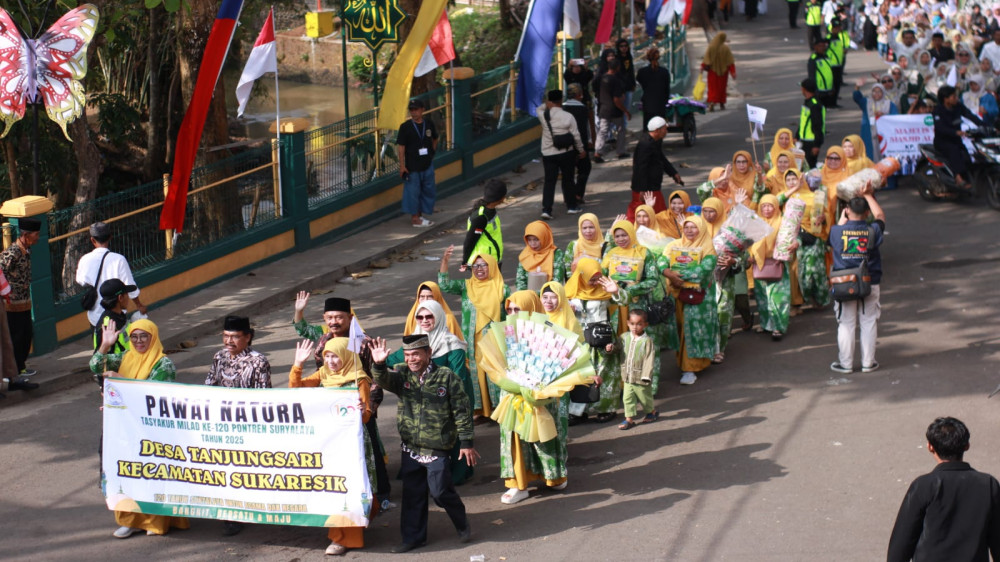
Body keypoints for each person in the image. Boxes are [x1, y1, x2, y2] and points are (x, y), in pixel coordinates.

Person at [370, 335, 477, 553]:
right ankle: (413, 538)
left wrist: (466, 442)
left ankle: (461, 521)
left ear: (428, 353)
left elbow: (462, 412)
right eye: (408, 355)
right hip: (411, 447)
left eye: (416, 354)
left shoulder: (446, 378)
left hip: (437, 447)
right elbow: (382, 380)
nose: (412, 359)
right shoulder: (403, 375)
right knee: (412, 495)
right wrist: (379, 364)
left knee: (440, 492)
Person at [90, 319, 189, 538]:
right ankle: (129, 520)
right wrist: (105, 346)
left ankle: (155, 521)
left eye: (144, 336)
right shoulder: (125, 357)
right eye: (134, 337)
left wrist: (121, 381)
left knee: (151, 474)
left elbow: (156, 398)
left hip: (152, 431)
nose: (139, 341)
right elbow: (95, 366)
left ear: (153, 337)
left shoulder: (164, 364)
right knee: (126, 473)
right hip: (124, 430)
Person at [288, 338, 376, 556]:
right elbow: (295, 389)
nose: (331, 361)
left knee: (352, 488)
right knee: (334, 487)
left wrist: (360, 409)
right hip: (329, 442)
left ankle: (348, 536)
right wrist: (298, 364)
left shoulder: (359, 379)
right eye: (327, 356)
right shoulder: (323, 375)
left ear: (346, 356)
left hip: (353, 441)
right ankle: (339, 536)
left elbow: (366, 416)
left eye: (335, 355)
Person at [887, 417, 1000, 562]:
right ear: (967, 445)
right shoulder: (988, 484)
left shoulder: (924, 485)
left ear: (930, 447)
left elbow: (901, 544)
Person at [388, 300, 475, 486]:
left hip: (449, 396)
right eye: (420, 316)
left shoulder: (452, 344)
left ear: (439, 316)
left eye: (430, 316)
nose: (425, 320)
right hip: (421, 398)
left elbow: (458, 377)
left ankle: (454, 475)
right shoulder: (416, 341)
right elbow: (391, 360)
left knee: (451, 434)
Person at [602, 219, 671, 395]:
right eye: (617, 236)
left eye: (624, 234)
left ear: (631, 234)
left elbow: (653, 280)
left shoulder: (644, 253)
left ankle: (650, 386)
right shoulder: (611, 254)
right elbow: (601, 276)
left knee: (645, 348)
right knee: (624, 349)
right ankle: (627, 387)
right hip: (617, 310)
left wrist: (631, 288)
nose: (621, 238)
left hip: (639, 308)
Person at [439, 245, 509, 416]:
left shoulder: (502, 288)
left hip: (494, 339)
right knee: (476, 374)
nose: (479, 269)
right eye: (476, 266)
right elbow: (445, 285)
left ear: (491, 266)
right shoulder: (466, 286)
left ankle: (499, 409)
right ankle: (480, 410)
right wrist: (445, 261)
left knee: (494, 372)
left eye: (484, 265)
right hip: (472, 341)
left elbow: (511, 313)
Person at [828, 184, 885, 374]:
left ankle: (845, 364)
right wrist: (869, 195)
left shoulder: (836, 231)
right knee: (869, 321)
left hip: (844, 282)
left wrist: (842, 219)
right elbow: (881, 217)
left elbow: (833, 236)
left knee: (846, 323)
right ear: (866, 213)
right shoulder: (873, 230)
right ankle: (868, 362)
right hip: (870, 280)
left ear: (847, 211)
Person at [658, 216, 719, 386]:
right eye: (687, 227)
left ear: (702, 229)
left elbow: (703, 270)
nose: (690, 231)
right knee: (680, 331)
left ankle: (689, 368)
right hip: (677, 296)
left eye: (694, 227)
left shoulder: (708, 249)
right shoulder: (674, 245)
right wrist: (667, 272)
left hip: (698, 299)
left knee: (692, 332)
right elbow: (662, 261)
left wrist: (676, 276)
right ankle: (687, 363)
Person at [564, 258, 624, 423]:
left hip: (602, 337)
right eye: (591, 278)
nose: (594, 282)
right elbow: (556, 311)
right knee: (582, 373)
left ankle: (606, 408)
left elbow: (623, 301)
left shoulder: (604, 290)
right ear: (581, 275)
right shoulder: (569, 290)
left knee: (605, 373)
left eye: (597, 277)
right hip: (579, 339)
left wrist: (616, 291)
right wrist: (566, 310)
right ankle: (577, 411)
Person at [75, 221, 146, 328]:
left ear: (92, 240)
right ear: (110, 237)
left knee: (99, 342)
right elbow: (129, 285)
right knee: (120, 342)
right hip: (116, 315)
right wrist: (139, 305)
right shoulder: (119, 259)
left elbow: (81, 281)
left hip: (95, 317)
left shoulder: (85, 259)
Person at [0, 218, 40, 377]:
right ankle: (16, 369)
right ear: (26, 235)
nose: (38, 237)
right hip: (12, 303)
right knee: (16, 336)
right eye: (36, 234)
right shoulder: (12, 252)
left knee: (26, 335)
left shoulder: (26, 250)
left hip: (24, 302)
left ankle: (21, 366)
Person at [750, 194, 793, 340]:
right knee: (762, 298)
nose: (767, 209)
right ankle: (765, 324)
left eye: (770, 206)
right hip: (759, 264)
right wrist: (749, 255)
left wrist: (795, 244)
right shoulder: (755, 222)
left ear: (776, 207)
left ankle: (778, 327)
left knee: (778, 298)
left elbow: (793, 236)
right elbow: (747, 242)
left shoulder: (782, 222)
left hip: (777, 263)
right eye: (763, 206)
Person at [537, 89, 585, 219]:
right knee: (568, 179)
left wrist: (547, 104)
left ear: (549, 101)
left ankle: (547, 210)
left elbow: (539, 108)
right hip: (566, 152)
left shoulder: (543, 114)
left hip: (548, 153)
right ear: (561, 100)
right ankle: (571, 206)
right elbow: (576, 135)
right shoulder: (568, 116)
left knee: (549, 181)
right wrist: (581, 150)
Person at [610, 309, 659, 431]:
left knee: (644, 397)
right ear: (627, 323)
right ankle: (629, 419)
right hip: (627, 376)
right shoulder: (624, 337)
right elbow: (617, 348)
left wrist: (646, 375)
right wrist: (610, 348)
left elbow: (649, 359)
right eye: (632, 323)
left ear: (645, 325)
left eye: (639, 324)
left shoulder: (647, 341)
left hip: (641, 376)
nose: (635, 327)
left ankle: (651, 412)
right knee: (627, 398)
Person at [629, 116, 683, 220]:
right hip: (646, 189)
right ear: (657, 130)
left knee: (657, 214)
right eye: (664, 129)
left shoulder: (656, 141)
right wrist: (642, 189)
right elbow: (640, 168)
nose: (666, 131)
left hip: (653, 186)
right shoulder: (645, 144)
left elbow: (661, 158)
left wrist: (673, 173)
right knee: (643, 215)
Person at [396, 99, 438, 228]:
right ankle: (415, 218)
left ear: (422, 109)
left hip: (427, 164)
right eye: (411, 110)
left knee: (427, 190)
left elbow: (435, 138)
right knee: (413, 192)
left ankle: (420, 215)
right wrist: (402, 165)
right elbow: (401, 147)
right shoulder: (405, 127)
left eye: (416, 110)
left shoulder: (429, 124)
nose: (414, 113)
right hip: (412, 166)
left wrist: (431, 153)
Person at [462, 179, 507, 267]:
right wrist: (465, 261)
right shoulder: (481, 218)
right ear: (501, 198)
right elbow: (470, 240)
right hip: (483, 264)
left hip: (492, 261)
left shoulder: (490, 211)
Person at [593, 58, 631, 163]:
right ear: (617, 68)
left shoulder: (601, 78)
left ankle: (598, 152)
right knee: (620, 130)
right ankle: (620, 151)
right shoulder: (615, 80)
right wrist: (626, 111)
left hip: (604, 109)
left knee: (603, 131)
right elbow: (616, 99)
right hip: (615, 111)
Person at [562, 83, 594, 205]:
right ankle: (578, 194)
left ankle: (568, 196)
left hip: (563, 145)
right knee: (585, 168)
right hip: (580, 144)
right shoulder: (583, 109)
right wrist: (587, 144)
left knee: (567, 173)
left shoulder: (562, 108)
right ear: (580, 95)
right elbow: (585, 129)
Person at [515, 221, 565, 291]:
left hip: (549, 297)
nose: (532, 244)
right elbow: (520, 281)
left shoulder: (556, 254)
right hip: (529, 297)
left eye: (536, 239)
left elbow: (557, 280)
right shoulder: (525, 254)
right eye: (529, 240)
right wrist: (526, 297)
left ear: (544, 237)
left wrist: (542, 295)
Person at [92, 279, 136, 354]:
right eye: (127, 294)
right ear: (120, 298)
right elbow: (99, 358)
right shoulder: (108, 326)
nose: (128, 297)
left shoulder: (119, 315)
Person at [701, 32, 736, 111]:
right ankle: (721, 104)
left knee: (712, 88)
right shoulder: (726, 48)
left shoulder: (711, 47)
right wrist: (733, 72)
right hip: (723, 73)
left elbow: (706, 60)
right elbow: (730, 62)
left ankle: (712, 102)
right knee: (722, 88)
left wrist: (702, 68)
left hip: (712, 73)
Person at [636, 47, 672, 126]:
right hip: (660, 103)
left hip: (648, 103)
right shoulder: (664, 72)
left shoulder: (642, 72)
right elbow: (667, 88)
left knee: (648, 126)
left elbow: (640, 82)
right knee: (659, 126)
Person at [797, 78, 826, 168]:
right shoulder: (808, 102)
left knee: (809, 167)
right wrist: (797, 136)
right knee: (802, 166)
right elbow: (804, 122)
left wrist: (816, 145)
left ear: (804, 89)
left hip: (811, 143)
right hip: (804, 141)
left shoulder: (814, 105)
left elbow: (818, 125)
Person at [826, 19, 849, 105]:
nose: (838, 29)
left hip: (838, 63)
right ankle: (830, 102)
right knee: (832, 84)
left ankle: (834, 101)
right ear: (832, 29)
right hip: (832, 64)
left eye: (839, 27)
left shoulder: (839, 37)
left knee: (837, 83)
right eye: (836, 28)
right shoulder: (829, 38)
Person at [808, 37, 835, 108]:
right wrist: (814, 90)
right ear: (815, 47)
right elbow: (811, 76)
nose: (823, 48)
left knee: (824, 111)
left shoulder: (826, 57)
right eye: (820, 46)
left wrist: (832, 87)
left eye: (824, 46)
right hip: (819, 91)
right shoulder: (813, 59)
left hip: (828, 89)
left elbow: (830, 73)